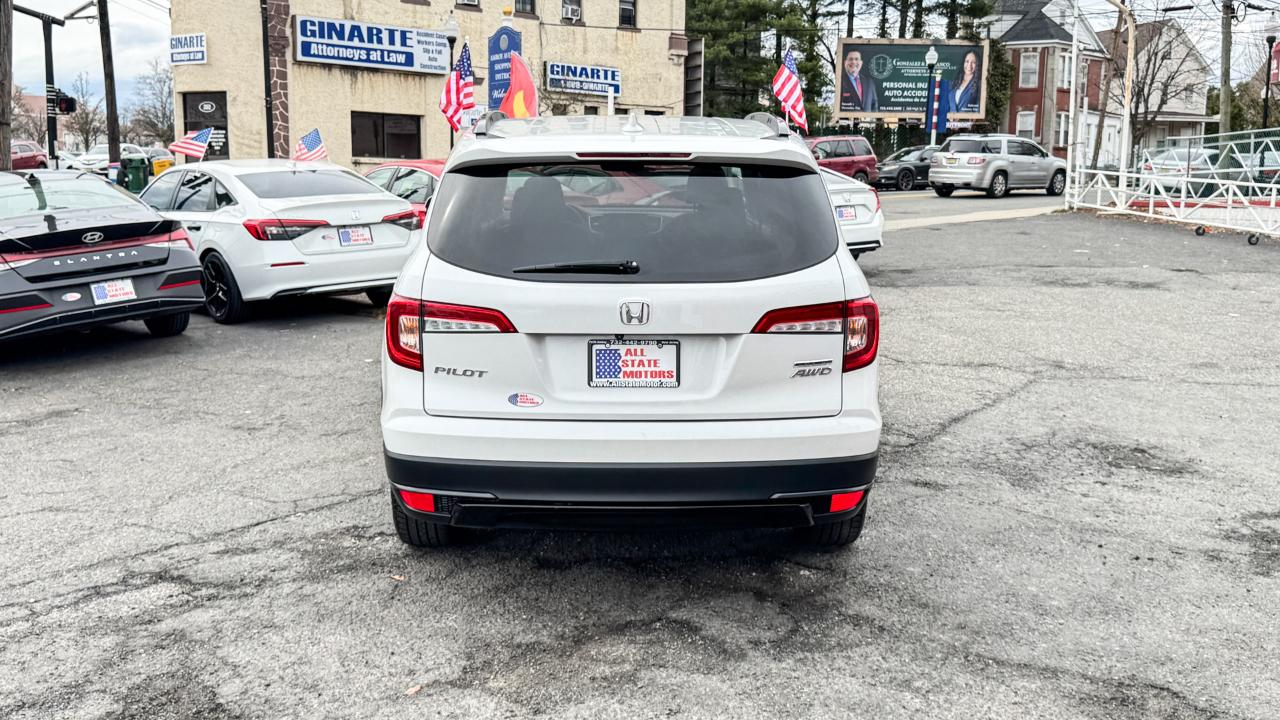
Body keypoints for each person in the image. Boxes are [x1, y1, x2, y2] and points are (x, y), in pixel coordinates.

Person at [839, 48, 879, 112]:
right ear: (845, 62)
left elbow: (874, 105)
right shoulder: (840, 82)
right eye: (850, 59)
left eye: (856, 59)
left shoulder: (869, 82)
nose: (853, 62)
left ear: (861, 63)